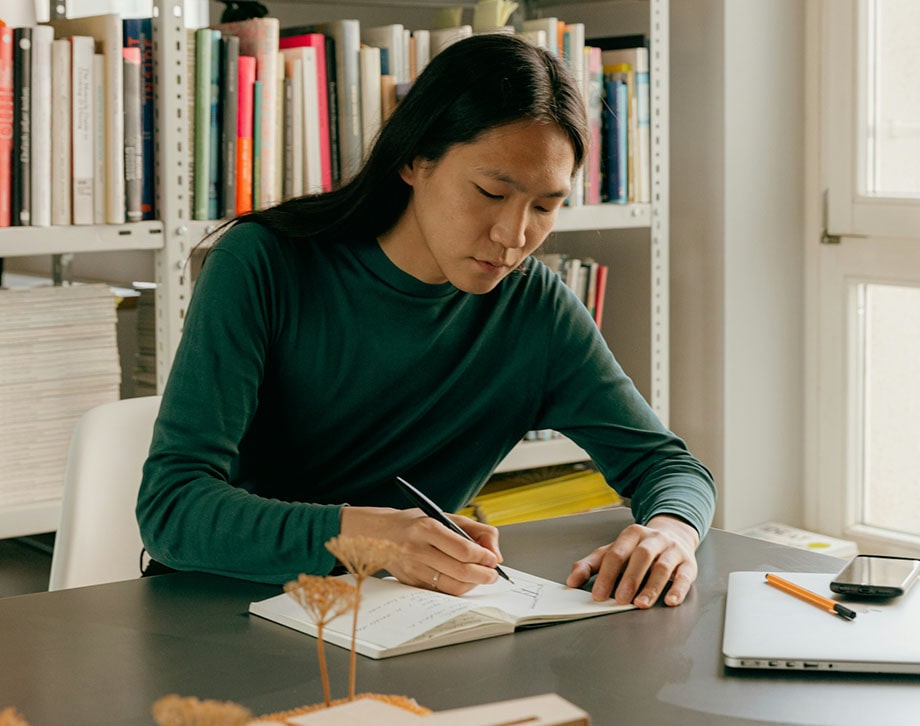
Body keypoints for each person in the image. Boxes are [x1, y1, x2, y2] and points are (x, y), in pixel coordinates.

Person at [137, 32, 716, 609]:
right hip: (219, 613)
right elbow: (173, 508)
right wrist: (370, 538)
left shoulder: (534, 312)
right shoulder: (264, 263)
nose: (514, 238)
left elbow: (666, 465)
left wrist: (670, 533)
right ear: (416, 159)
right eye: (491, 192)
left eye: (544, 207)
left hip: (395, 621)